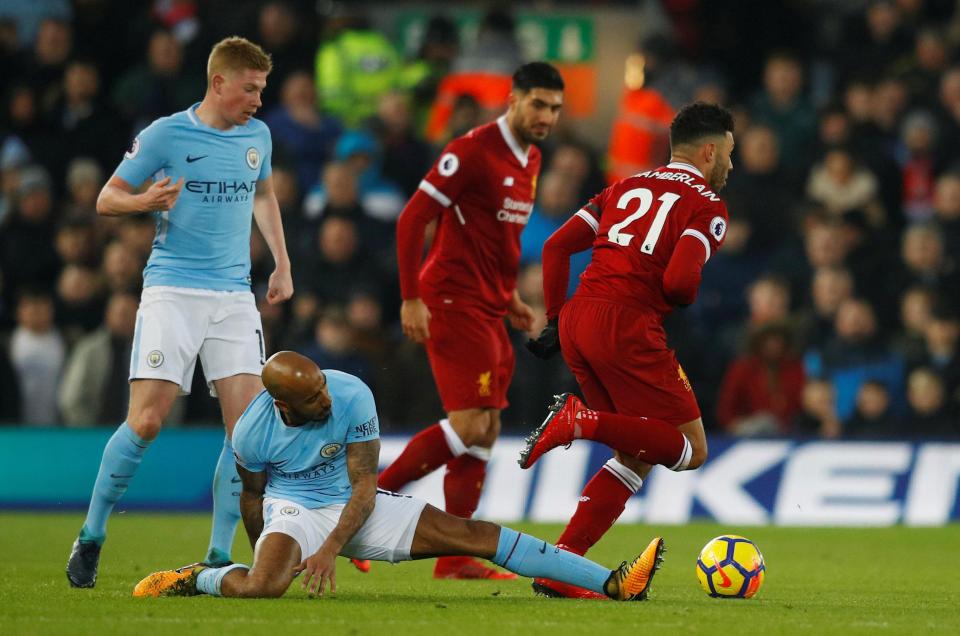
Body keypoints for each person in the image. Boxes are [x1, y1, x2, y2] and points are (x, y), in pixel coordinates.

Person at [131, 352, 664, 601]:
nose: (325, 397)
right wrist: (272, 548)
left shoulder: (352, 393)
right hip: (292, 510)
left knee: (473, 534)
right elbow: (252, 497)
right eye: (313, 397)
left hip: (355, 504)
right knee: (263, 587)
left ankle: (612, 583)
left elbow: (366, 483)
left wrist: (333, 545)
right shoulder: (251, 433)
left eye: (322, 386)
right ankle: (196, 577)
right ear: (282, 405)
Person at [66, 36, 293, 588]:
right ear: (218, 83)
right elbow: (106, 198)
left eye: (262, 89)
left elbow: (263, 195)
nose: (258, 100)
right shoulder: (167, 133)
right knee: (146, 421)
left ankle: (216, 556)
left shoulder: (257, 137)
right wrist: (145, 202)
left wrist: (283, 264)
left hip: (235, 296)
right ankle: (92, 535)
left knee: (246, 436)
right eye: (250, 88)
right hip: (173, 290)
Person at [522, 102, 735, 599]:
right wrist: (683, 295)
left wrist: (554, 318)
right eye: (729, 153)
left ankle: (560, 568)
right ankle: (580, 421)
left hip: (579, 318)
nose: (731, 164)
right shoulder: (708, 206)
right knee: (690, 451)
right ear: (709, 151)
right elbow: (680, 281)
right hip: (627, 324)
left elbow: (555, 246)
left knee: (634, 453)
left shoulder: (625, 186)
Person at [376, 62, 564, 580]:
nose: (547, 116)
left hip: (487, 306)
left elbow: (496, 240)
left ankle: (455, 556)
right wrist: (410, 297)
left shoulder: (532, 158)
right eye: (539, 104)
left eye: (555, 108)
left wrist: (509, 299)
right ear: (514, 99)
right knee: (470, 424)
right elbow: (413, 217)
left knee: (487, 429)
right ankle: (369, 506)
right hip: (451, 301)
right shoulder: (470, 152)